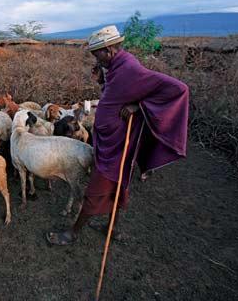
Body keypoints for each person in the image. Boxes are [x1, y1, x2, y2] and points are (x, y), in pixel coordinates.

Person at [46, 25, 189, 245]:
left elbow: (179, 88)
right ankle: (111, 228)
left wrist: (139, 106)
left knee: (96, 190)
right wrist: (103, 81)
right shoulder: (115, 67)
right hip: (107, 141)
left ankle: (72, 234)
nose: (96, 59)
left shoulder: (130, 69)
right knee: (118, 186)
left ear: (110, 49)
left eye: (98, 54)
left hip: (118, 146)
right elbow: (116, 95)